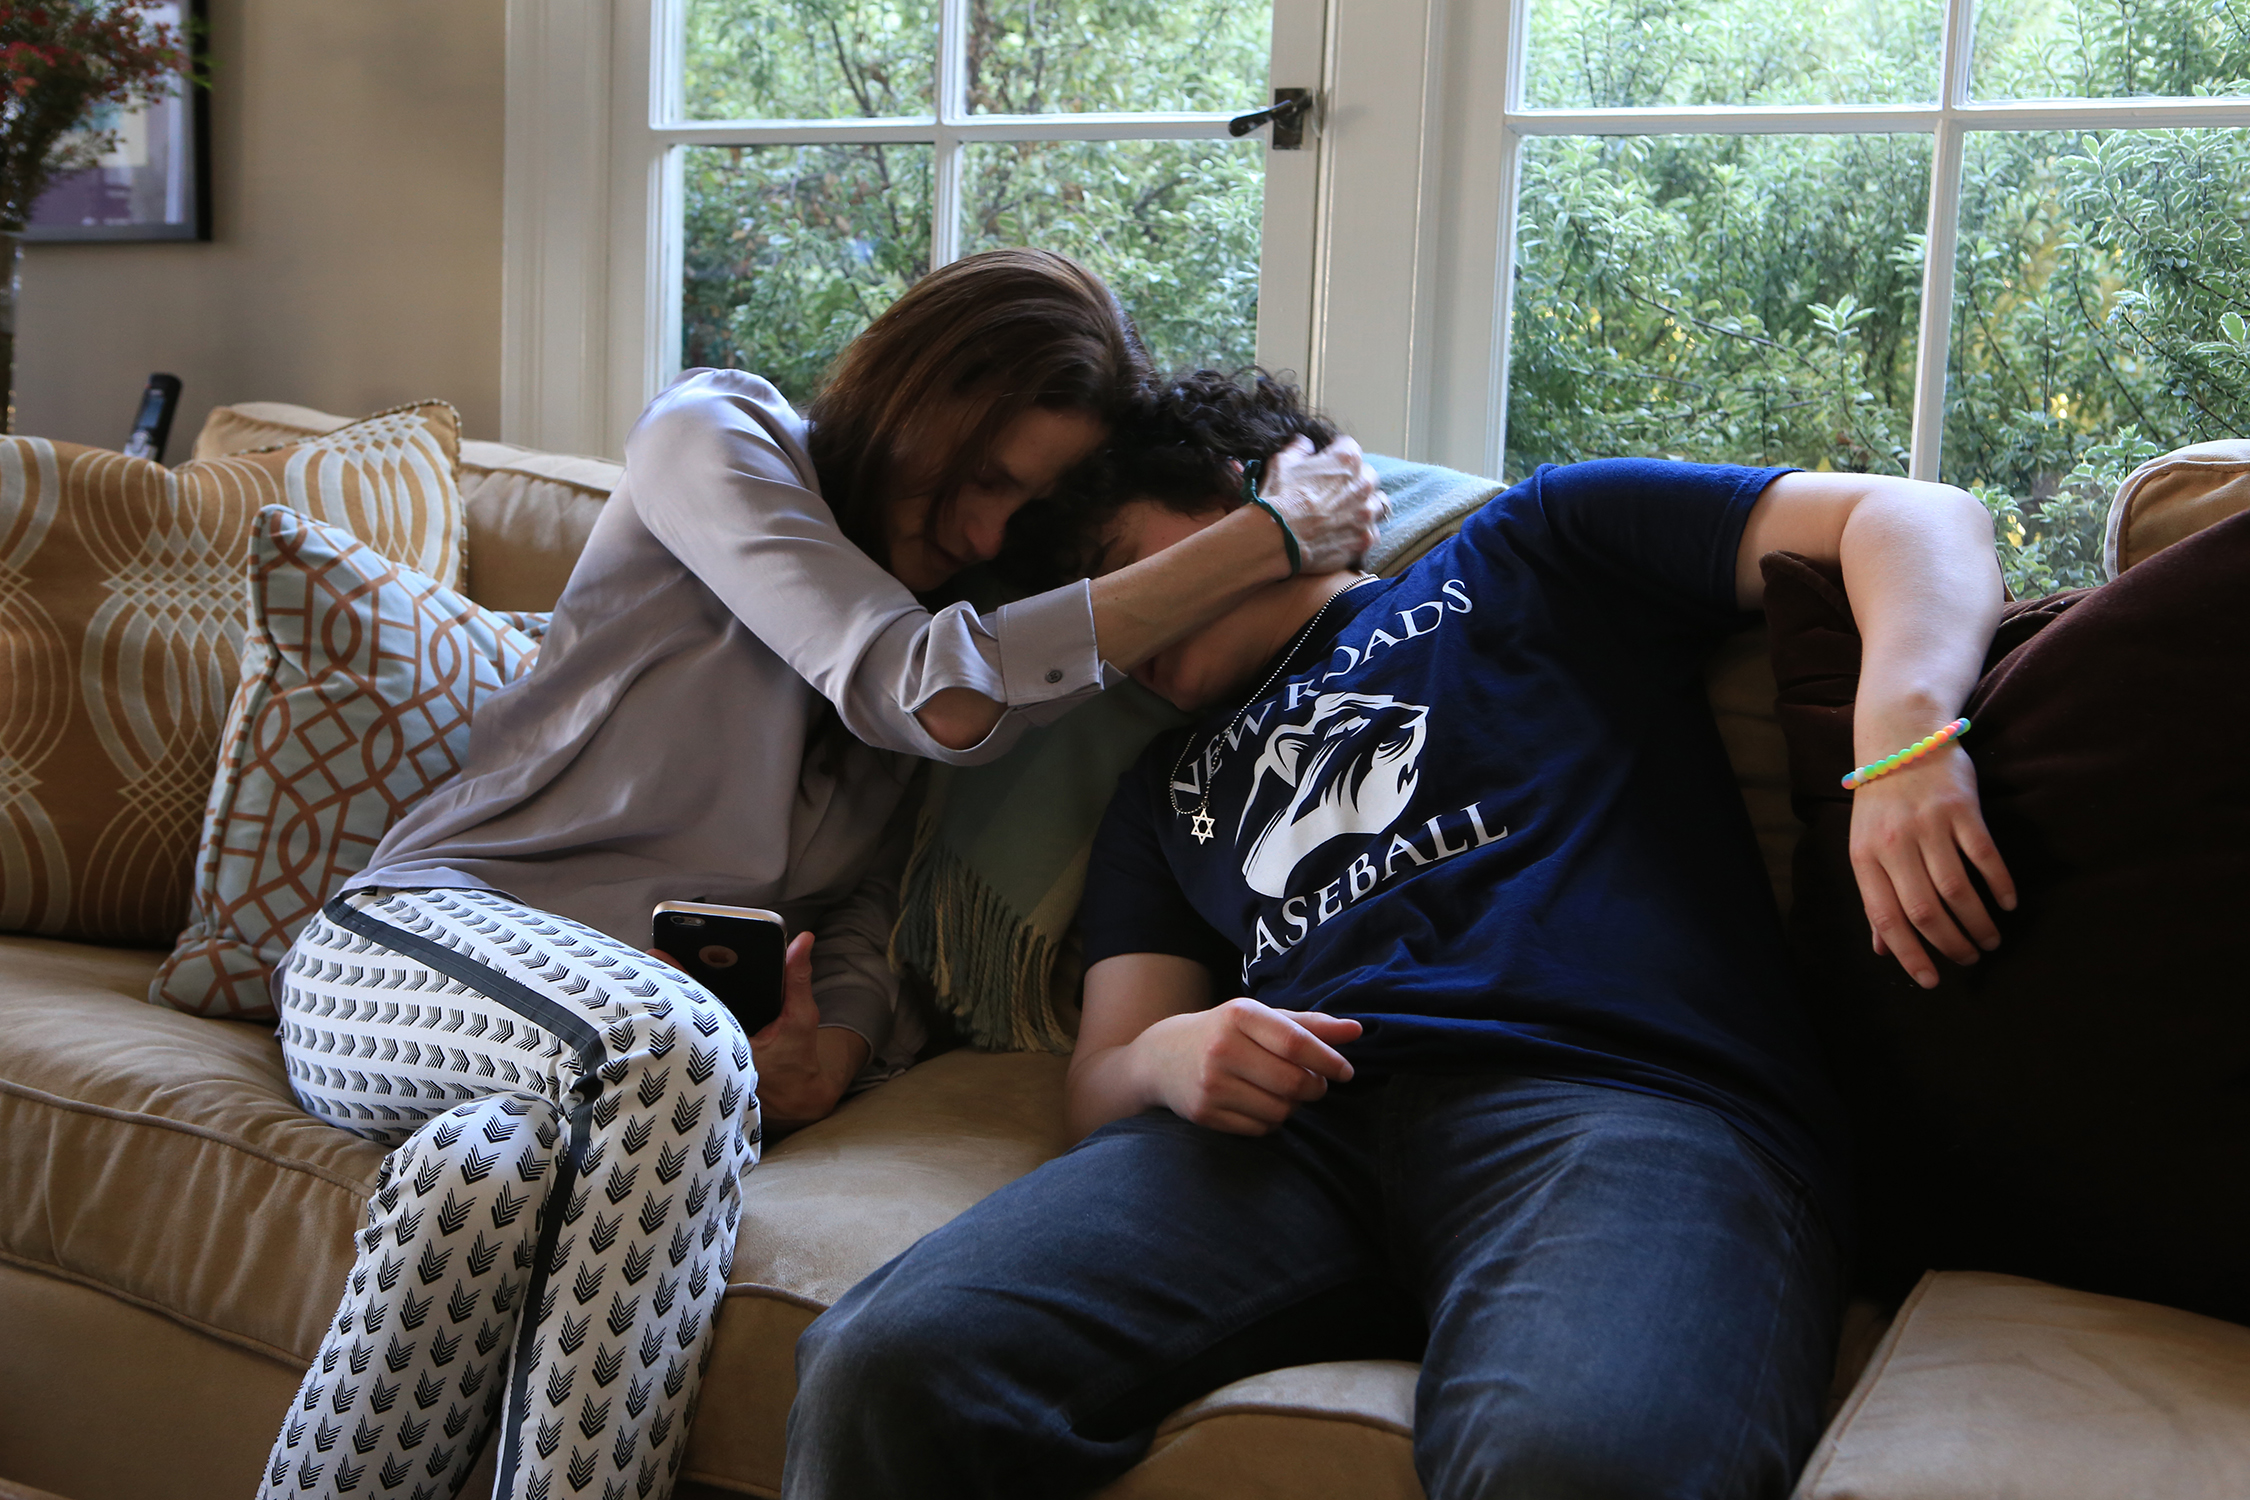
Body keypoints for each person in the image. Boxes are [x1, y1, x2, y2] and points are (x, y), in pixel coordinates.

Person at [256, 262, 1386, 1500]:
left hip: (579, 1083)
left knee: (483, 1181)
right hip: (406, 953)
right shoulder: (720, 436)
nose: (984, 533)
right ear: (914, 397)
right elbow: (905, 680)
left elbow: (861, 906)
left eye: (1030, 506)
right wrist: (1267, 538)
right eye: (983, 476)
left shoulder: (970, 628)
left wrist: (833, 1048)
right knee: (680, 1054)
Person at [782, 372, 2016, 1500]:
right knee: (884, 1359)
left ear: (1254, 485)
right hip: (1292, 1143)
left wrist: (1903, 740)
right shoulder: (1161, 793)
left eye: (1117, 562)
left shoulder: (1536, 545)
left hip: (1621, 1105)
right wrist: (1175, 1055)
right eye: (1091, 610)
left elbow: (1914, 517)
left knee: (1574, 1464)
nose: (1123, 633)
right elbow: (1105, 1082)